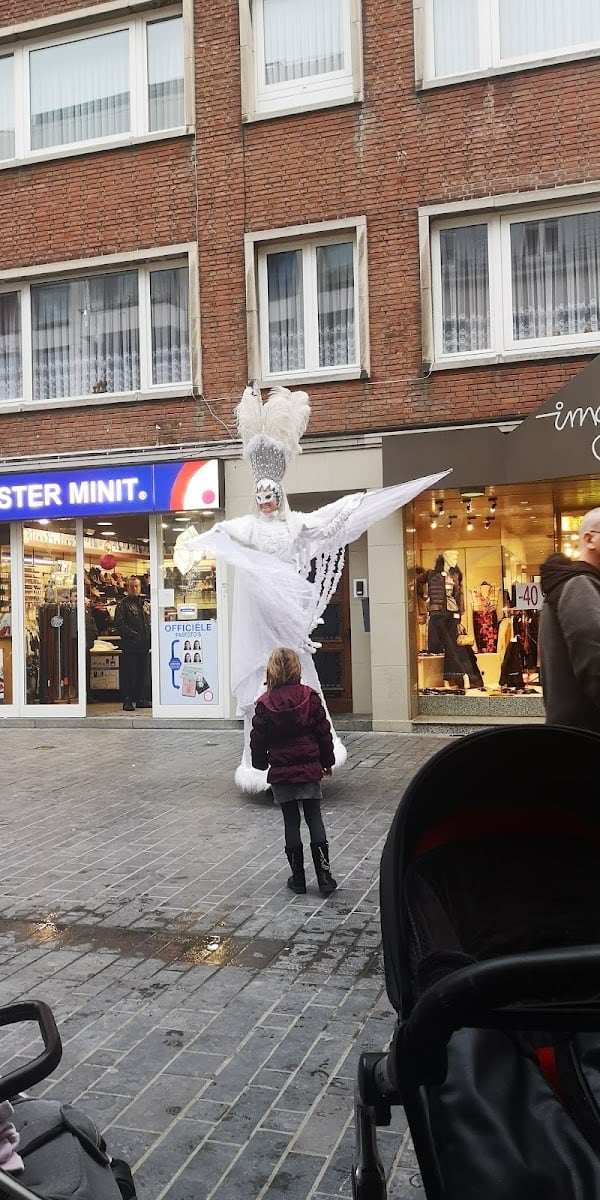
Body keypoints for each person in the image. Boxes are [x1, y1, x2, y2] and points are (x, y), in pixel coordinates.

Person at [174, 380, 448, 792]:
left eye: (272, 494)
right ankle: (261, 764)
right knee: (263, 676)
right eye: (261, 494)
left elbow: (323, 522)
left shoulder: (295, 524)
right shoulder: (248, 526)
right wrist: (197, 542)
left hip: (286, 610)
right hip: (260, 612)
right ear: (257, 497)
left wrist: (353, 503)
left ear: (279, 495)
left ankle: (308, 753)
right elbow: (227, 533)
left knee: (295, 672)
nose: (266, 500)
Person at [250, 646, 337, 896]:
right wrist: (326, 761)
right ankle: (324, 877)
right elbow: (323, 732)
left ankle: (298, 878)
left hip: (282, 771)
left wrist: (259, 763)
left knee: (291, 821)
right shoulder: (309, 697)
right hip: (309, 766)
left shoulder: (265, 704)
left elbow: (258, 738)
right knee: (314, 818)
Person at [539, 509, 600, 732]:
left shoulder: (579, 585)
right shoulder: (580, 585)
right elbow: (595, 661)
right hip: (587, 738)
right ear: (589, 539)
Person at [114, 576, 151, 712]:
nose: (134, 589)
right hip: (130, 645)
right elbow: (119, 624)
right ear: (127, 588)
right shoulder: (123, 604)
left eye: (136, 586)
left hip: (144, 644)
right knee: (130, 674)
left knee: (142, 673)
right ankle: (127, 700)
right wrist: (133, 635)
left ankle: (140, 698)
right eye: (132, 586)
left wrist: (148, 637)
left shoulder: (144, 603)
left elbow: (148, 621)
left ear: (140, 587)